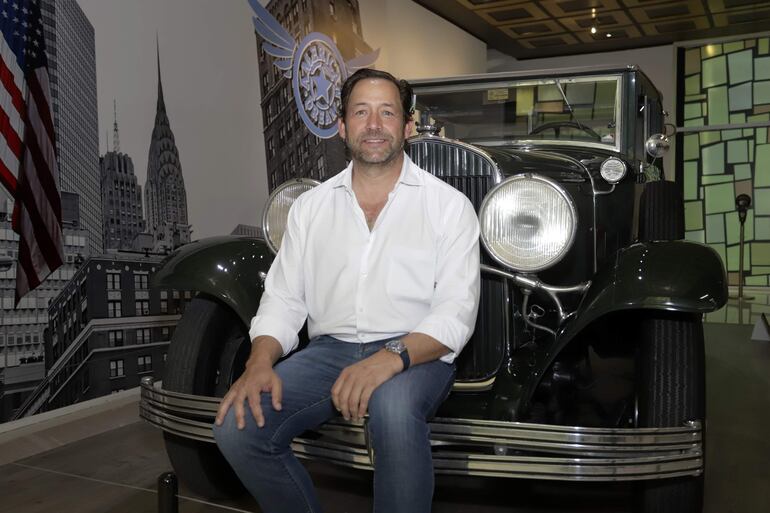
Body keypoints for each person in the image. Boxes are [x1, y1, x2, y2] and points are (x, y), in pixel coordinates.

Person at [213, 68, 480, 513]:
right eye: (361, 112)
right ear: (342, 126)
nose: (373, 124)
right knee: (236, 428)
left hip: (416, 350)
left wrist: (389, 357)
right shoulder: (309, 208)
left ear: (408, 126)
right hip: (330, 351)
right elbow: (284, 298)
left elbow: (456, 312)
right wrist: (259, 361)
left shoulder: (448, 206)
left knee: (393, 411)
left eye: (387, 112)